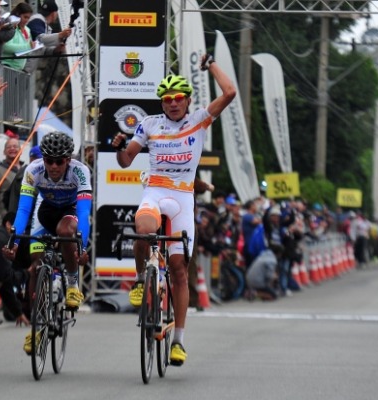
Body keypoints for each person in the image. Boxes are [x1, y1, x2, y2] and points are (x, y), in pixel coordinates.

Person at [110, 54, 236, 366]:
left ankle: (178, 340)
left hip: (182, 198)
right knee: (143, 229)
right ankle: (142, 280)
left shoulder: (199, 120)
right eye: (167, 100)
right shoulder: (149, 124)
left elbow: (230, 93)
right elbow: (126, 161)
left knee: (179, 269)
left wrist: (211, 66)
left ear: (187, 100)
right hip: (155, 190)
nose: (172, 104)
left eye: (178, 99)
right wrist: (118, 148)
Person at [4, 132, 92, 355]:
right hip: (45, 212)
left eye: (59, 161)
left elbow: (83, 213)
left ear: (68, 160)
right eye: (49, 160)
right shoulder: (33, 171)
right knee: (36, 265)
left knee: (65, 231)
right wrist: (13, 241)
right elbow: (24, 209)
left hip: (70, 213)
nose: (53, 166)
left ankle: (72, 286)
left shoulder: (80, 171)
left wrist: (82, 245)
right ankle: (37, 328)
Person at [0, 138, 22, 226]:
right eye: (8, 147)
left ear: (21, 151)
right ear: (4, 152)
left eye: (15, 146)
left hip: (23, 221)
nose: (12, 149)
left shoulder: (25, 170)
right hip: (5, 222)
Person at [1, 2, 34, 72]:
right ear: (18, 15)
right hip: (7, 66)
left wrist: (33, 47)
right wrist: (28, 46)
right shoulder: (10, 27)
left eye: (28, 18)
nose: (27, 20)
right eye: (25, 17)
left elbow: (28, 51)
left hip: (19, 69)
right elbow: (6, 46)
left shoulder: (27, 30)